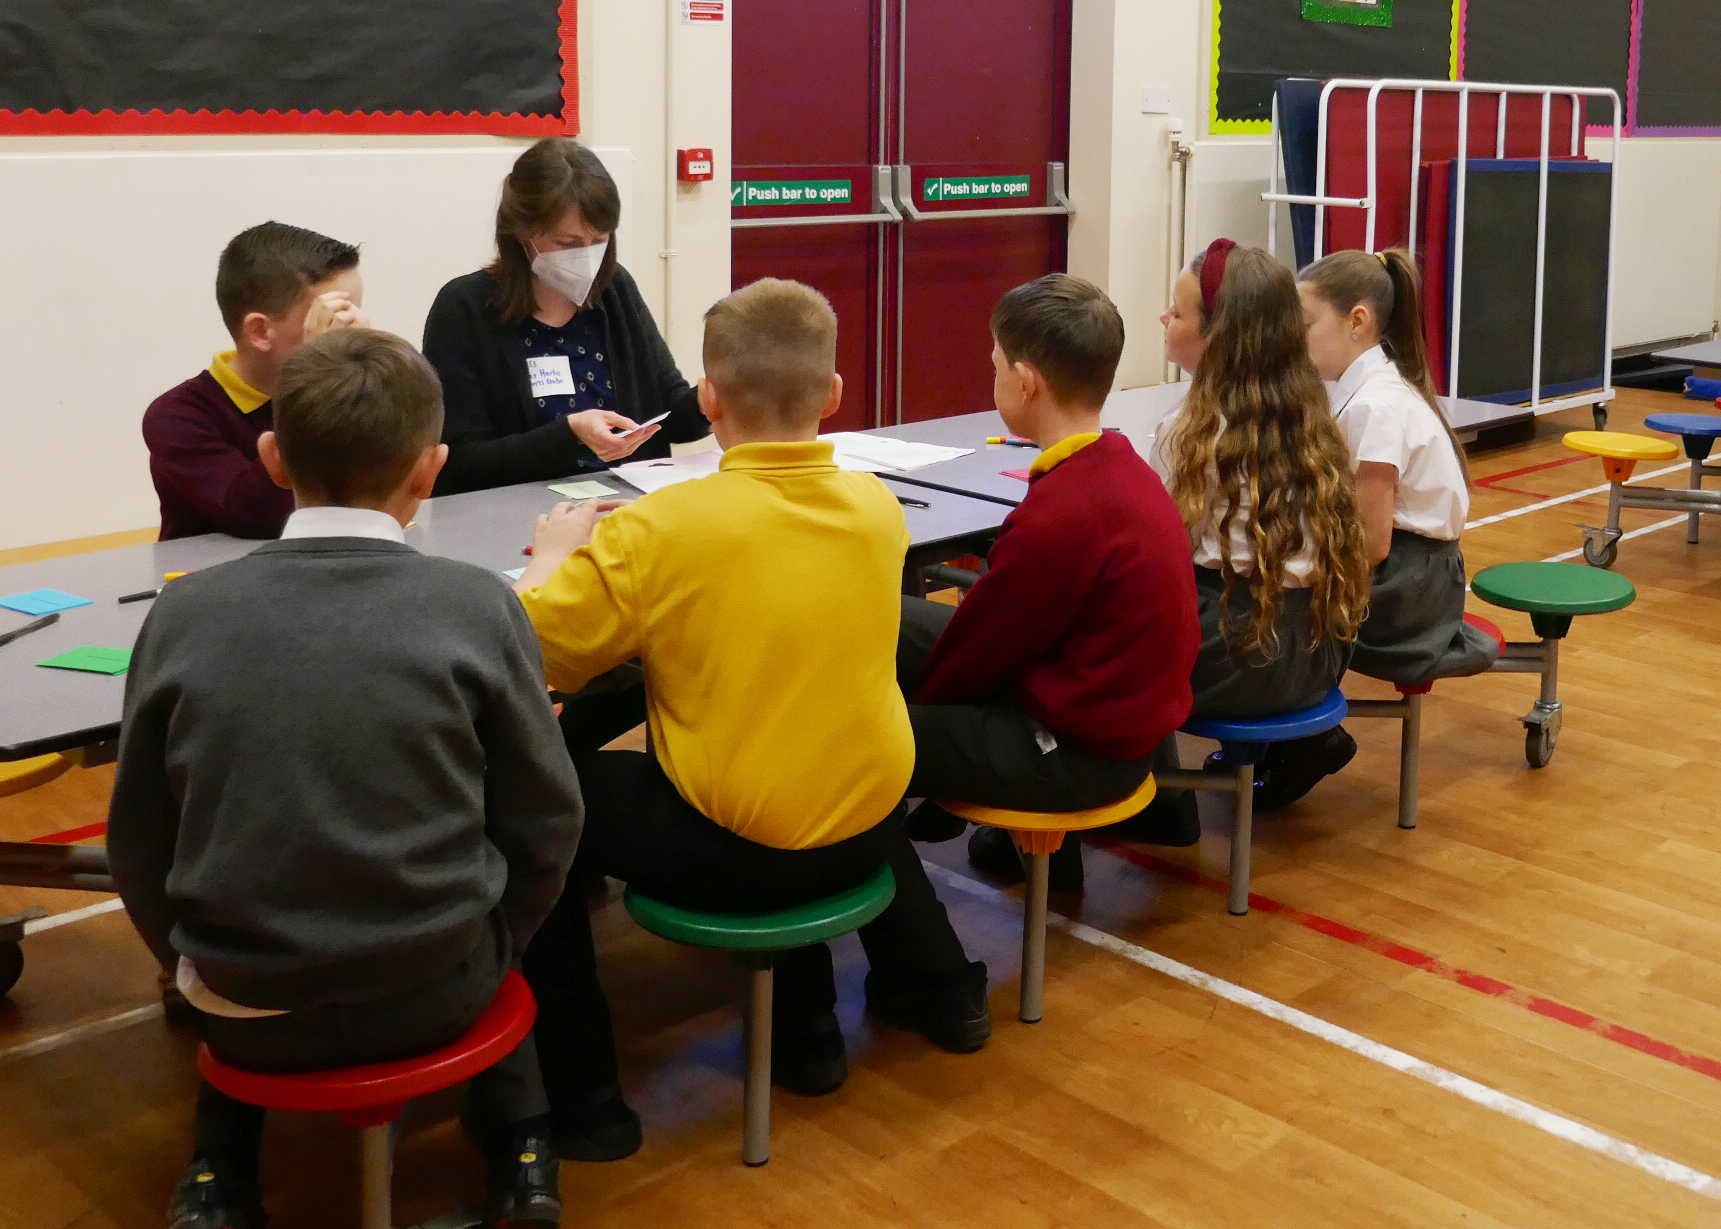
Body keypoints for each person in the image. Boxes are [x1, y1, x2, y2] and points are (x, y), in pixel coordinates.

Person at [110, 330, 581, 1229]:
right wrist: (495, 933)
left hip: (246, 997)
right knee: (495, 893)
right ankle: (525, 1152)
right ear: (430, 469)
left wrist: (187, 960)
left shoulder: (183, 613)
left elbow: (138, 839)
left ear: (274, 458)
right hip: (440, 983)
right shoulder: (478, 605)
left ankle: (217, 1175)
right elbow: (547, 822)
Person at [515, 278, 986, 1157]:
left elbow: (541, 653)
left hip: (748, 849)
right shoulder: (879, 508)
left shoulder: (662, 528)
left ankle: (583, 1101)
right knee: (788, 728)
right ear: (835, 395)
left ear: (708, 399)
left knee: (538, 801)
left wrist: (553, 560)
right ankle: (813, 1030)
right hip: (868, 824)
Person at [896, 276, 1200, 893]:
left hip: (1078, 757)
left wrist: (918, 717)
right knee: (888, 618)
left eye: (996, 367)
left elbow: (980, 655)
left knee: (855, 730)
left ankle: (897, 921)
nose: (995, 380)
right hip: (1105, 726)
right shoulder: (1118, 466)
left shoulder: (1064, 512)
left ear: (1027, 381)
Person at [1126, 239, 1370, 844]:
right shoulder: (1317, 415)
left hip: (1240, 651)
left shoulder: (1188, 433)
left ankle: (1154, 806)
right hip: (1317, 653)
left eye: (1178, 313)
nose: (1164, 318)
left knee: (1105, 635)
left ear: (1218, 336)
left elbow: (1158, 557)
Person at [1251, 247, 1496, 809]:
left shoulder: (1375, 406)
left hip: (1410, 587)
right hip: (1406, 572)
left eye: (1306, 325)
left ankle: (1309, 739)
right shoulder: (1357, 388)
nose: (1295, 339)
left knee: (1270, 605)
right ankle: (1285, 733)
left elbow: (1371, 544)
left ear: (1357, 321)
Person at [423, 138, 708, 497]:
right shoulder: (465, 307)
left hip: (625, 507)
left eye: (599, 240)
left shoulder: (616, 289)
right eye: (568, 243)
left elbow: (668, 419)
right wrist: (569, 435)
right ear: (522, 231)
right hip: (514, 515)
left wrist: (710, 403)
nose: (587, 257)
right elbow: (458, 463)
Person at [143, 221, 366, 541]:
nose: (351, 331)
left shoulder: (349, 392)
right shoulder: (178, 416)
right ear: (260, 332)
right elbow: (261, 516)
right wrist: (319, 379)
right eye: (330, 319)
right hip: (217, 580)